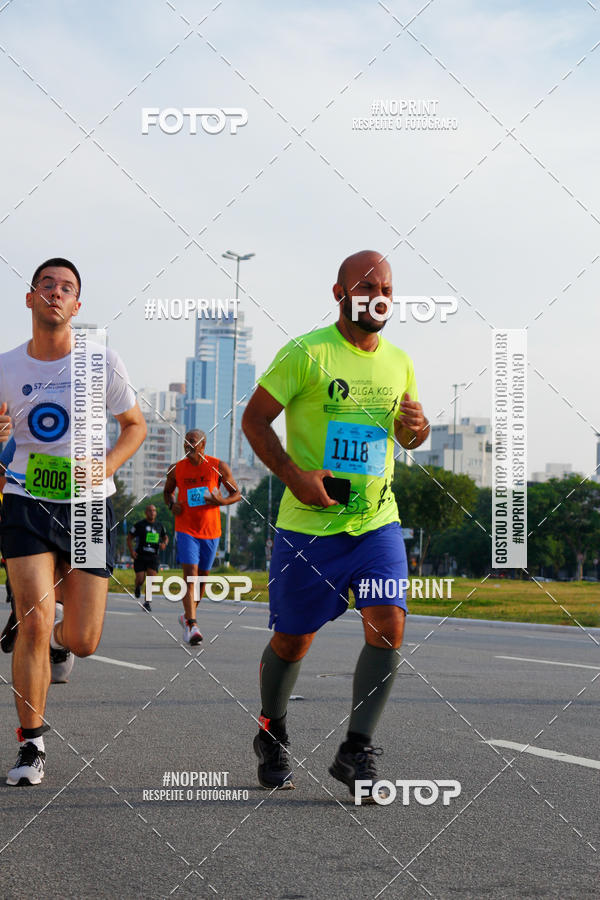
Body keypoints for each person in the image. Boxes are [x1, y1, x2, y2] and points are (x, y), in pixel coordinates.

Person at [241, 249, 430, 799]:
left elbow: (409, 435)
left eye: (387, 290)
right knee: (293, 641)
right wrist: (292, 474)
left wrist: (417, 428)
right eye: (366, 286)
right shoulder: (306, 353)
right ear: (339, 293)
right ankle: (271, 730)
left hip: (376, 522)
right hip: (309, 526)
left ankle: (356, 750)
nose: (377, 297)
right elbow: (254, 421)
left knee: (388, 627)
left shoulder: (399, 361)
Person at [0, 257, 146, 786]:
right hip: (25, 496)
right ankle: (30, 745)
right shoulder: (6, 367)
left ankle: (53, 641)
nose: (56, 293)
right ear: (30, 298)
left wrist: (105, 465)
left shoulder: (100, 361)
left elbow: (134, 426)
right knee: (35, 619)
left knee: (83, 639)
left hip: (87, 505)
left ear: (77, 306)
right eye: (47, 285)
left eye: (67, 289)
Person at [163, 430, 241, 645]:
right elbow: (167, 492)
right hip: (186, 529)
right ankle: (192, 624)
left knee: (202, 581)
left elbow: (236, 493)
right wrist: (172, 505)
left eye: (193, 443)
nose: (188, 446)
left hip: (211, 530)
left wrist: (221, 502)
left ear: (203, 446)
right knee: (191, 577)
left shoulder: (217, 466)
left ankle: (188, 615)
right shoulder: (176, 469)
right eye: (185, 443)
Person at [127, 504, 168, 611]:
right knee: (140, 579)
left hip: (153, 557)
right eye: (150, 510)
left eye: (154, 510)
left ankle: (147, 602)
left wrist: (164, 543)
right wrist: (131, 551)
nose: (152, 512)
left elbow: (165, 537)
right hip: (140, 556)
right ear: (146, 512)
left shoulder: (159, 525)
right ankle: (137, 586)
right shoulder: (139, 525)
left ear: (156, 513)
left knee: (151, 580)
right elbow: (129, 537)